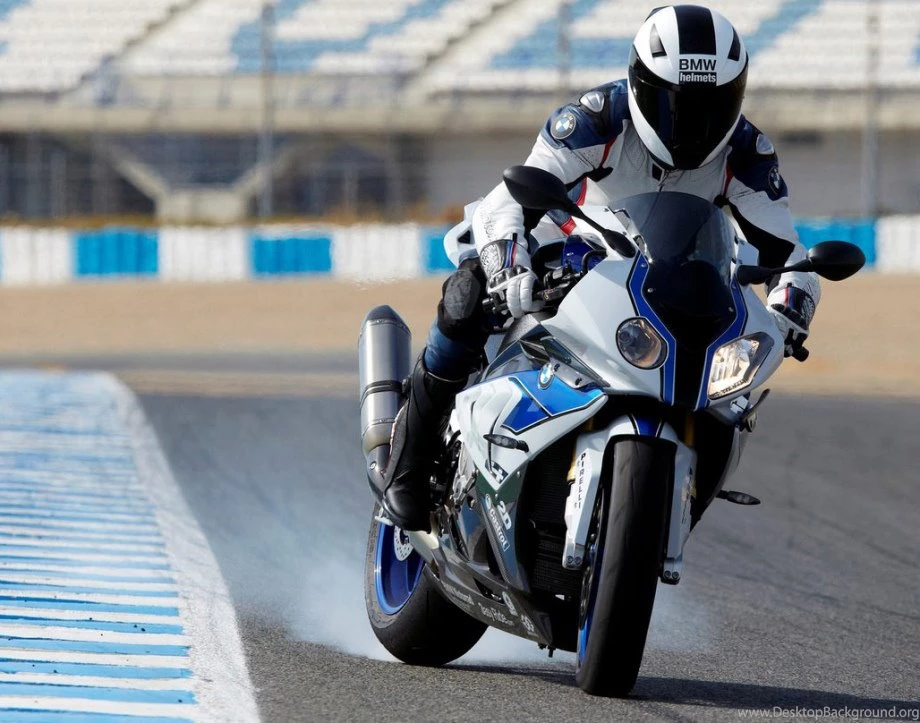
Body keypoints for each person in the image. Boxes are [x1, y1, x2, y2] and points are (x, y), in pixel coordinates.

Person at [378, 4, 820, 531]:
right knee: (467, 298)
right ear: (639, 85)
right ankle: (407, 463)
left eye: (712, 106)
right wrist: (506, 267)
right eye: (675, 105)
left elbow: (787, 252)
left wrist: (789, 309)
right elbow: (508, 201)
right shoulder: (597, 118)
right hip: (565, 243)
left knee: (730, 388)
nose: (693, 124)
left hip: (666, 272)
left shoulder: (746, 153)